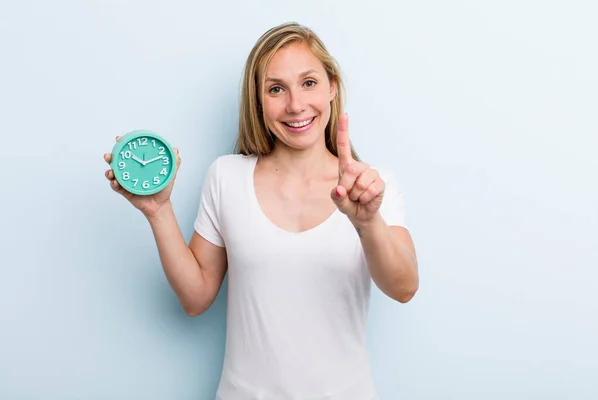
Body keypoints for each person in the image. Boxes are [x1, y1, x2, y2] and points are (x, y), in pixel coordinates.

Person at [104, 22, 418, 400]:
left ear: (332, 87)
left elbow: (403, 288)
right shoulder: (226, 176)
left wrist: (366, 223)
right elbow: (195, 298)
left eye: (309, 83)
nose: (296, 105)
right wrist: (158, 211)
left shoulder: (371, 186)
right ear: (258, 100)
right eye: (275, 89)